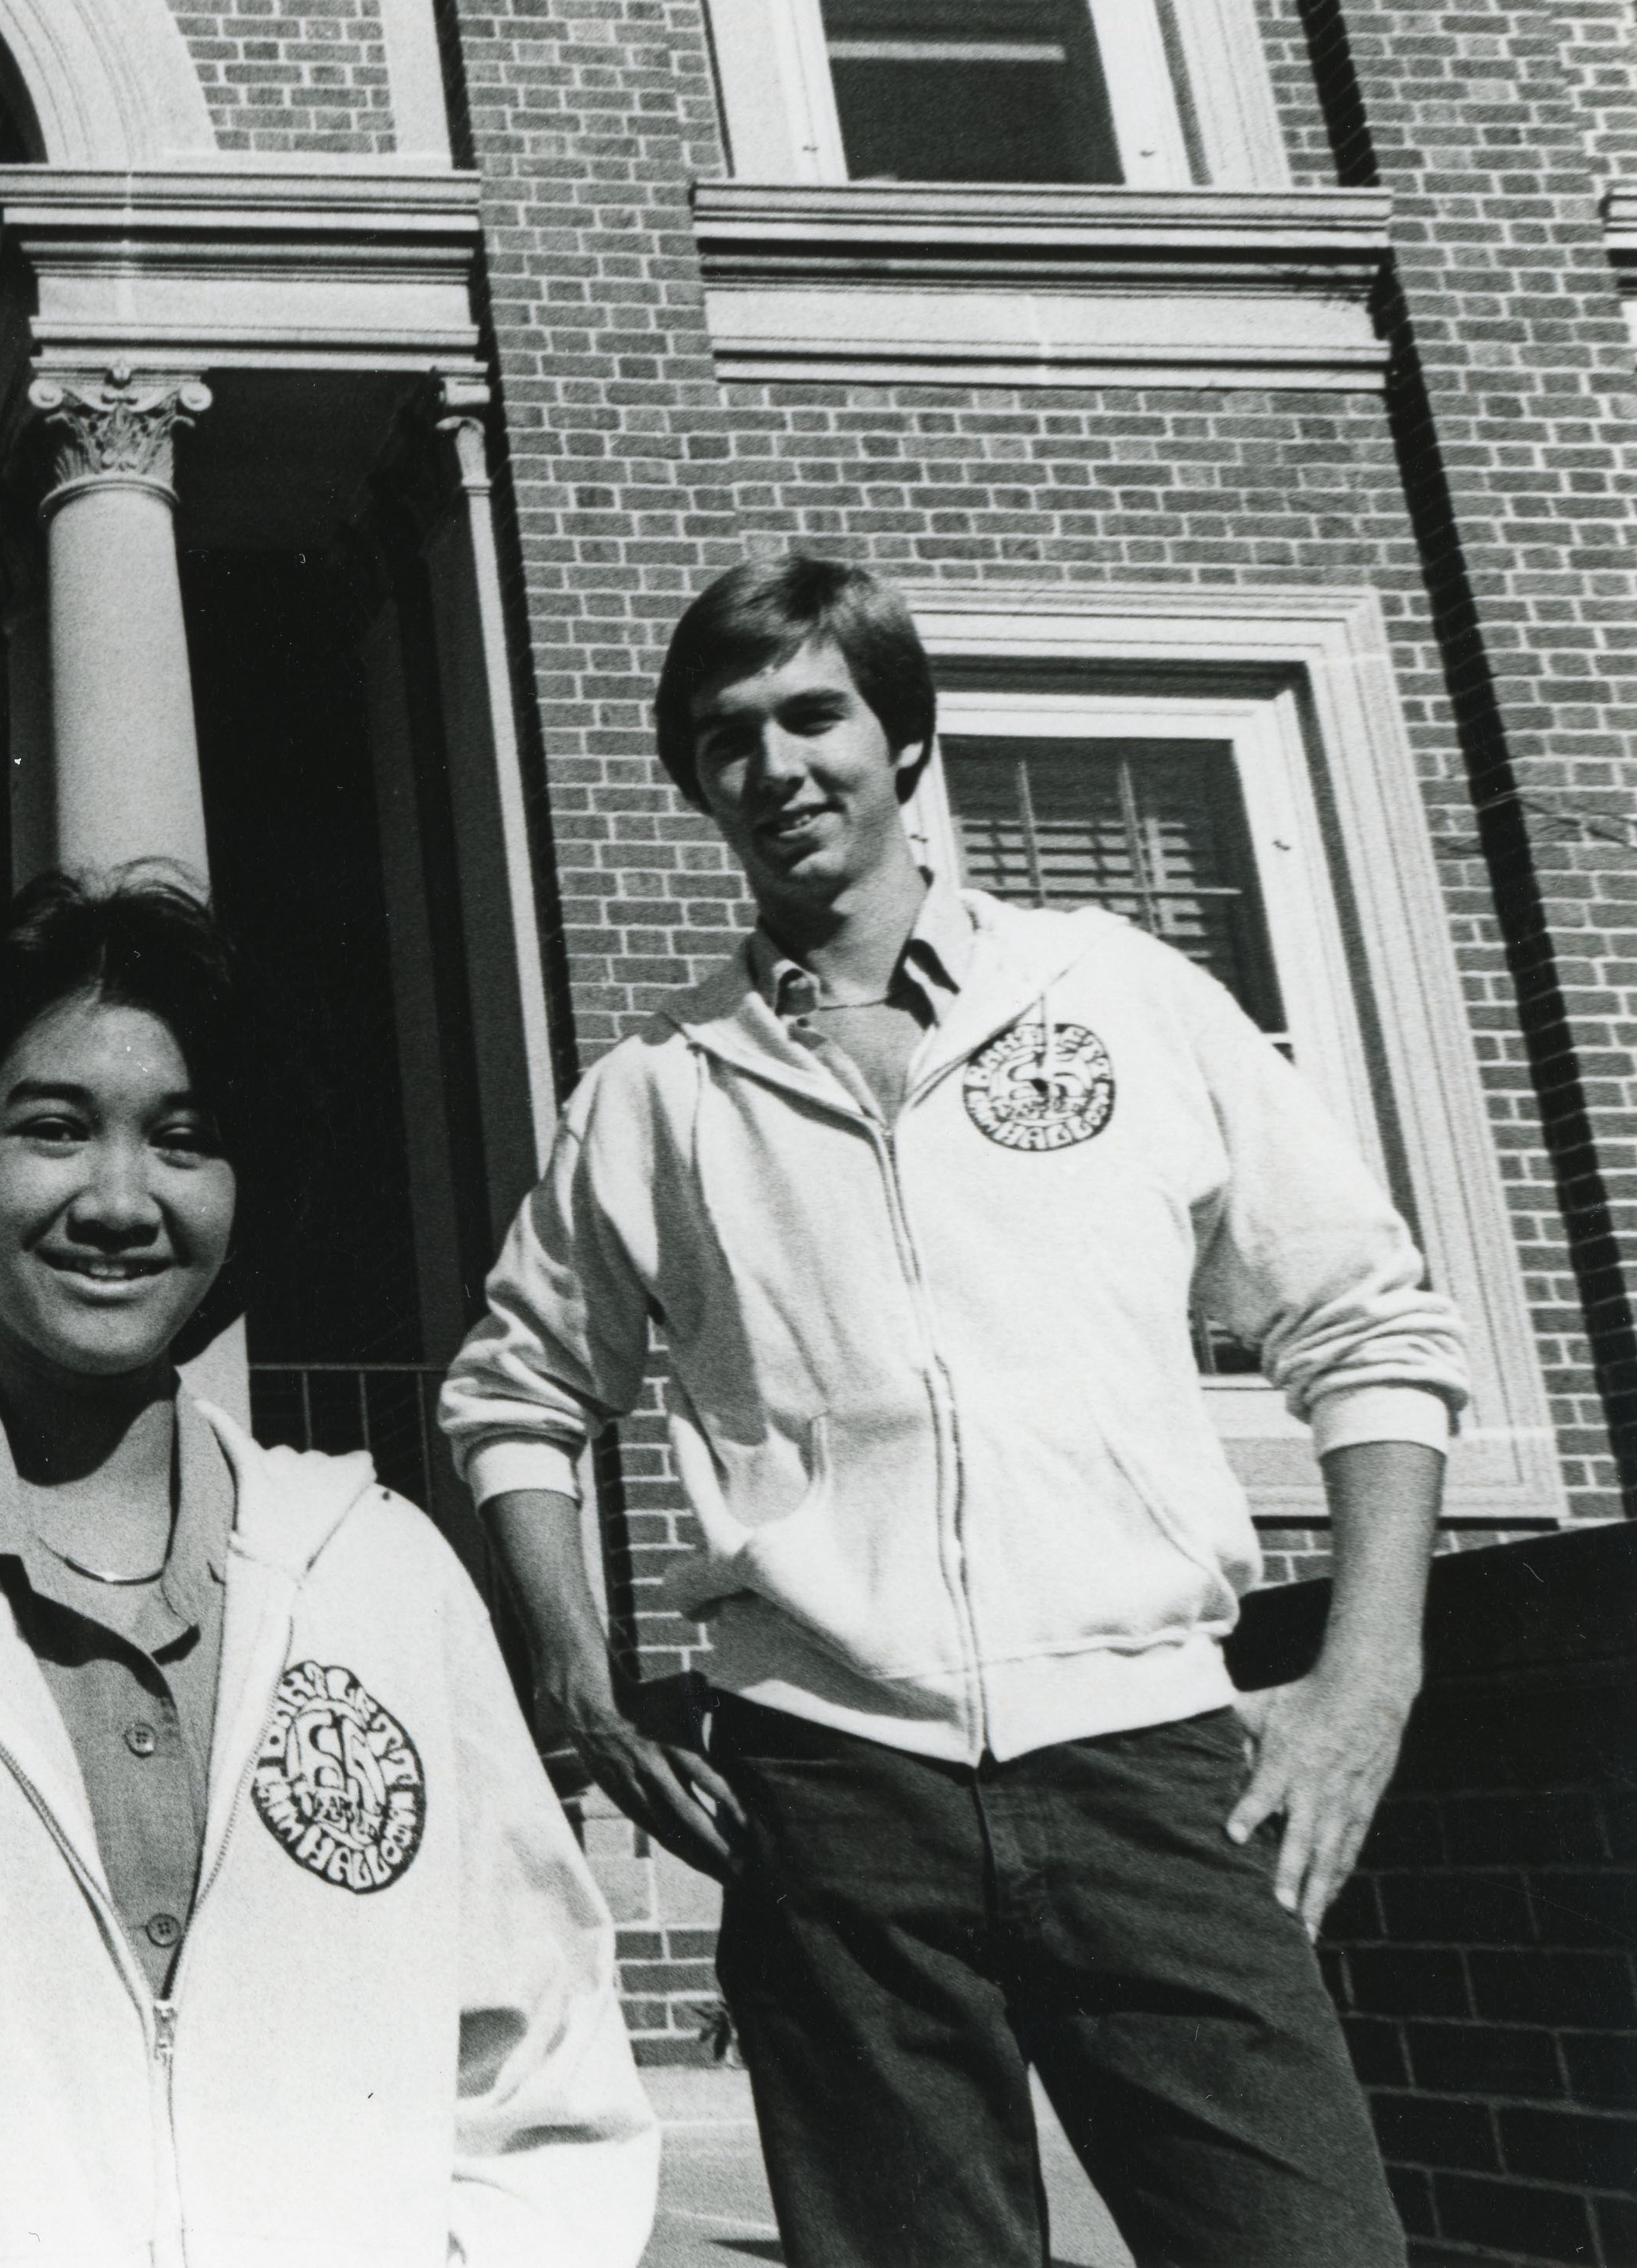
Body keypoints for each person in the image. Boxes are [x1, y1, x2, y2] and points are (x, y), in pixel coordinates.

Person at [444, 554, 1462, 2266]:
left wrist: (1368, 1669)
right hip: (835, 1793)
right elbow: (515, 1392)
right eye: (722, 738)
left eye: (809, 713)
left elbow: (1365, 1323)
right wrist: (576, 1673)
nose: (771, 766)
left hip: (1150, 1766)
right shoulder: (654, 1093)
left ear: (902, 737)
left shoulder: (1117, 996)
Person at [0, 870, 655, 2266]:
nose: (120, 1198)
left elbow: (545, 2078)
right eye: (53, 1127)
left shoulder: (383, 1577)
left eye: (184, 1138)